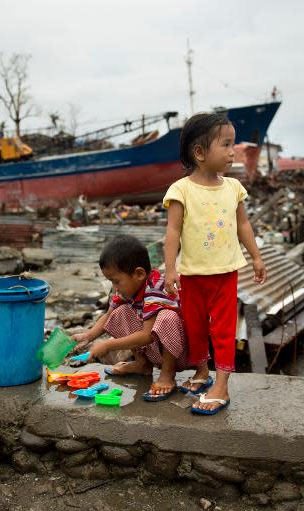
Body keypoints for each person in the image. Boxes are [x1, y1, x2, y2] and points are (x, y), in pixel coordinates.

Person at [163, 112, 268, 415]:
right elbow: (172, 232)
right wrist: (170, 269)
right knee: (194, 327)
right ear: (199, 153)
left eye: (232, 144)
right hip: (193, 274)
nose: (232, 151)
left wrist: (256, 257)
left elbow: (244, 225)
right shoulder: (181, 190)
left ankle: (221, 385)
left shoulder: (233, 187)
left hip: (225, 273)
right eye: (225, 144)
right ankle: (202, 371)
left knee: (223, 330)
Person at [74, 234, 189, 401]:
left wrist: (107, 345)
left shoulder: (157, 289)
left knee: (167, 317)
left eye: (116, 281)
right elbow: (108, 316)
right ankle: (142, 364)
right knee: (119, 312)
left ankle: (167, 373)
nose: (114, 287)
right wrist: (88, 336)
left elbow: (147, 335)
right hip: (155, 350)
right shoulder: (129, 289)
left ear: (139, 274)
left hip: (180, 353)